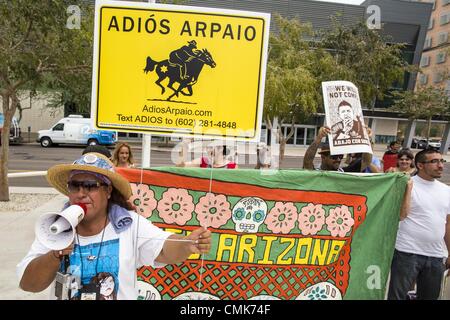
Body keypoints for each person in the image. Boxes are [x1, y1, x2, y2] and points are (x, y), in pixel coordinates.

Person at [17, 152, 211, 300]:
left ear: (108, 191)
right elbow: (29, 284)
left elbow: (163, 250)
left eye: (91, 186)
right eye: (75, 186)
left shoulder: (129, 224)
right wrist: (54, 255)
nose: (81, 193)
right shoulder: (55, 227)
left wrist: (187, 244)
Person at [387, 148, 450, 300]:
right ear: (420, 165)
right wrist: (407, 188)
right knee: (398, 297)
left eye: (442, 161)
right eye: (434, 161)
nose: (440, 165)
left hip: (435, 256)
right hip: (407, 253)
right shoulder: (407, 184)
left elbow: (447, 223)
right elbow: (401, 216)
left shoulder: (446, 190)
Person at [303, 126, 372, 172]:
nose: (338, 159)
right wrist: (319, 138)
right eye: (334, 156)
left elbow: (366, 162)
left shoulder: (343, 173)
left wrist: (367, 140)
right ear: (323, 157)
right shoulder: (315, 173)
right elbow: (307, 162)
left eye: (341, 156)